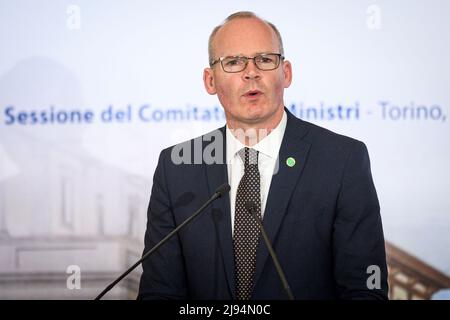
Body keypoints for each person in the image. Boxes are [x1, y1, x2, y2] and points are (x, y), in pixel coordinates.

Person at [138, 11, 388, 300]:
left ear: (286, 73)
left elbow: (365, 290)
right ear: (210, 81)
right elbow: (159, 292)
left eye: (265, 59)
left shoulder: (342, 160)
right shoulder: (176, 168)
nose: (251, 72)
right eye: (233, 62)